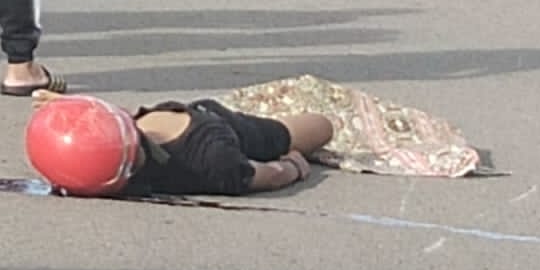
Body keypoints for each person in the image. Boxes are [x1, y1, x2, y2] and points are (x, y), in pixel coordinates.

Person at [25, 93, 334, 198]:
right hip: (164, 118)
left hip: (217, 130)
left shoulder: (213, 163)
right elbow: (112, 120)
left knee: (320, 127)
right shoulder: (125, 133)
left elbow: (267, 175)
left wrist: (293, 166)